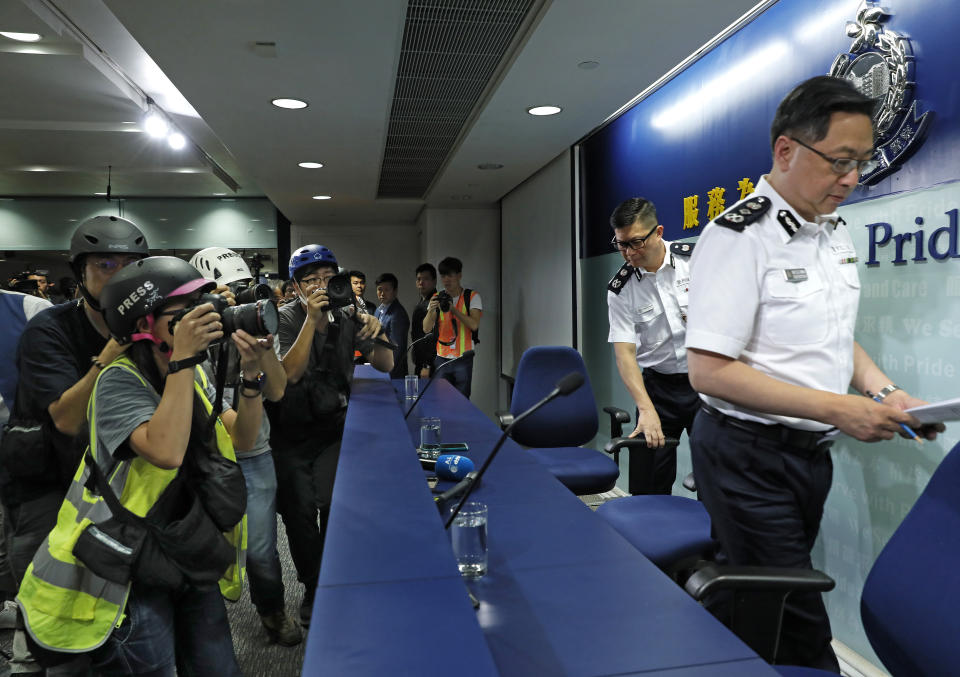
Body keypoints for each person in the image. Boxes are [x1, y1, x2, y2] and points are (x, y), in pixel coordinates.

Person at [685, 75, 944, 671]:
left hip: (806, 456)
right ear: (786, 150)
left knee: (761, 604)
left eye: (862, 162)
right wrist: (841, 409)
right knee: (796, 614)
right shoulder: (738, 236)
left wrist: (883, 391)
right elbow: (709, 371)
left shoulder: (830, 233)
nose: (852, 179)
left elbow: (833, 336)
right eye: (840, 162)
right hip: (747, 454)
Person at [17, 255, 263, 675]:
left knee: (218, 667)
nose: (201, 318)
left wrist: (253, 377)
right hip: (125, 563)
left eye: (202, 305)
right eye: (185, 313)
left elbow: (243, 438)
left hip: (182, 542)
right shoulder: (119, 379)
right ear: (143, 324)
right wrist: (184, 361)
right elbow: (164, 451)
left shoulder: (197, 371)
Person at [268, 245, 392, 627]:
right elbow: (287, 374)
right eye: (311, 280)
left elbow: (386, 364)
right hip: (289, 432)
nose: (322, 286)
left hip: (333, 427)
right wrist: (311, 321)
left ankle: (335, 581)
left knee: (334, 505)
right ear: (296, 287)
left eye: (328, 278)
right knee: (299, 513)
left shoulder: (349, 316)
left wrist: (377, 330)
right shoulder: (283, 318)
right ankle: (313, 585)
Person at [189, 246, 300, 646]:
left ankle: (272, 612)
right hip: (204, 459)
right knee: (201, 549)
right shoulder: (191, 346)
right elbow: (231, 430)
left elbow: (279, 389)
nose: (235, 303)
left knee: (261, 550)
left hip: (255, 458)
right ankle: (203, 626)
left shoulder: (251, 334)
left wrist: (262, 349)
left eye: (240, 291)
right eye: (223, 294)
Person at [606, 197, 700, 495]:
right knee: (648, 481)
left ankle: (717, 541)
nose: (628, 253)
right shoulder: (620, 290)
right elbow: (625, 354)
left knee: (719, 477)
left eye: (635, 242)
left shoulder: (697, 261)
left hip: (706, 383)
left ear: (658, 232)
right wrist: (646, 409)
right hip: (658, 389)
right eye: (621, 244)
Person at [422, 257, 481, 398]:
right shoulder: (437, 297)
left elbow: (474, 324)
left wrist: (453, 310)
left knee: (462, 403)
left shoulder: (472, 296)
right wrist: (431, 310)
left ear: (459, 275)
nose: (446, 280)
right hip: (441, 357)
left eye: (450, 275)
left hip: (463, 358)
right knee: (442, 401)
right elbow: (426, 328)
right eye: (443, 276)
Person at [374, 272, 410, 378]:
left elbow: (396, 349)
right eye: (380, 289)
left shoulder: (398, 314)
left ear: (395, 291)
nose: (382, 293)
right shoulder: (378, 310)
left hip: (393, 372)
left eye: (387, 290)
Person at [410, 263, 437, 378]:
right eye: (419, 279)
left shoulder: (435, 302)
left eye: (426, 279)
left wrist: (427, 365)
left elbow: (432, 336)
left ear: (434, 281)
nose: (421, 282)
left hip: (430, 364)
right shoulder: (422, 301)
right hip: (420, 360)